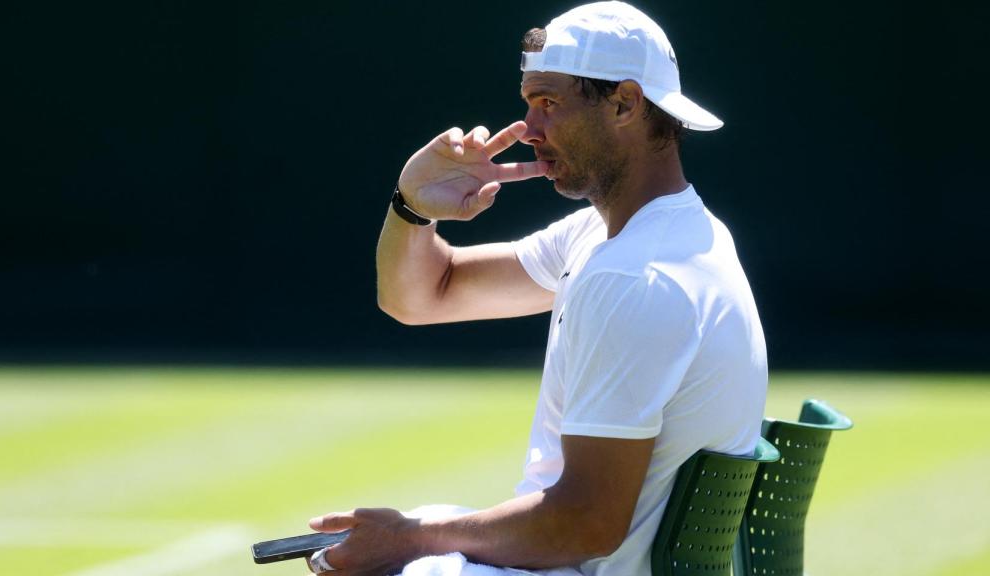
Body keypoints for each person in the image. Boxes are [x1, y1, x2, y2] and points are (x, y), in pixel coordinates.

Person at [306, 2, 767, 575]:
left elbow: (585, 523)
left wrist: (408, 540)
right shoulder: (635, 235)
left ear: (625, 103)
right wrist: (412, 208)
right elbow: (422, 296)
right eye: (528, 103)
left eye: (549, 103)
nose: (528, 130)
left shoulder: (632, 276)